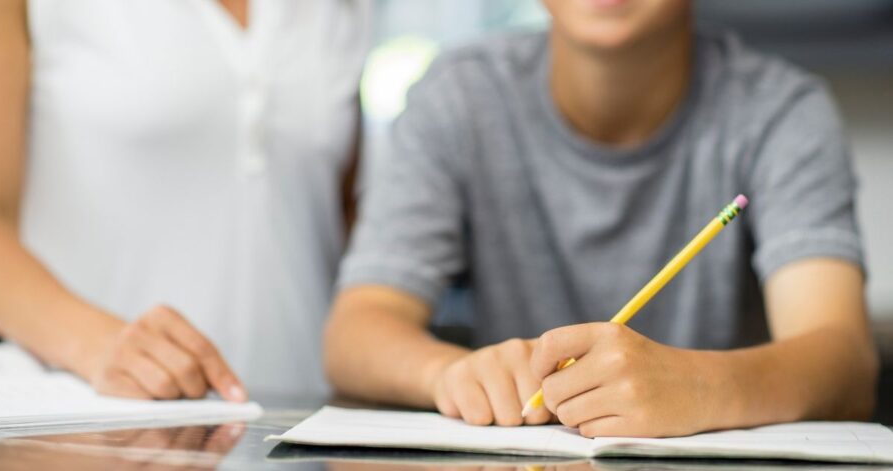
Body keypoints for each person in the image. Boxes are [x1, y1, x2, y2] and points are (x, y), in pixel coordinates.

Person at [323, 0, 879, 437]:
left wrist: (699, 388)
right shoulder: (459, 95)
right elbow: (357, 329)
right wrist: (449, 374)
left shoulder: (782, 112)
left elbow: (844, 361)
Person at [0, 0, 367, 400]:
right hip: (97, 416)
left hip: (296, 426)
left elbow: (350, 225)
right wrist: (97, 344)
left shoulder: (342, 10)